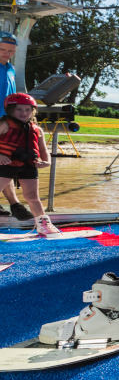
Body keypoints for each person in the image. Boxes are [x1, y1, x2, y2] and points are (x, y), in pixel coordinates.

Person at [0, 93, 60, 235]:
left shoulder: (37, 129)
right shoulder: (4, 124)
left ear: (33, 111)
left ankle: (43, 225)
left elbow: (43, 149)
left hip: (29, 166)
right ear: (10, 110)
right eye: (19, 109)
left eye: (28, 110)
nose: (24, 113)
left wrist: (47, 161)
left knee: (33, 197)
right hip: (5, 164)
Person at [0, 31, 31, 221]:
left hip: (8, 123)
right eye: (3, 49)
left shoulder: (10, 69)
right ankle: (15, 204)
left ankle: (14, 204)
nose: (7, 53)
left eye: (11, 51)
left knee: (6, 163)